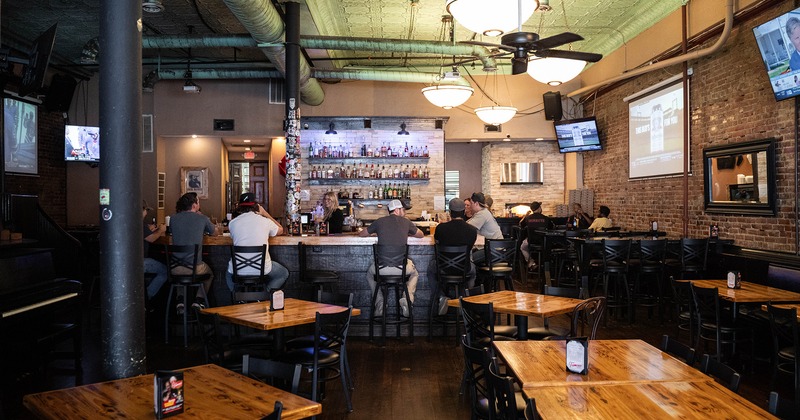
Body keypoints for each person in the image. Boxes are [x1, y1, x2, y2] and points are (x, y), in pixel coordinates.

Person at [359, 199, 424, 317]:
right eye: (403, 210)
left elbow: (362, 233)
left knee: (369, 274)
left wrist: (376, 232)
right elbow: (421, 235)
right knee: (414, 274)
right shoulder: (406, 222)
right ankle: (407, 300)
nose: (404, 212)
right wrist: (406, 232)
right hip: (401, 269)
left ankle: (380, 304)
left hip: (381, 269)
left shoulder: (379, 221)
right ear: (397, 210)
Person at [226, 192, 288, 296]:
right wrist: (265, 213)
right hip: (262, 269)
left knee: (228, 274)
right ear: (256, 206)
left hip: (238, 269)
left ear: (239, 206)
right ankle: (264, 294)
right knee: (283, 273)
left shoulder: (232, 223)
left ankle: (238, 297)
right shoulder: (265, 221)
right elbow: (281, 230)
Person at [169, 192, 219, 314]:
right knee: (210, 275)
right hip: (195, 268)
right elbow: (215, 233)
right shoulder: (202, 218)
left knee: (181, 272)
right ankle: (198, 301)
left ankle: (180, 301)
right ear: (194, 205)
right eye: (198, 201)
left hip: (174, 268)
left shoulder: (173, 218)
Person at [427, 198, 478, 315]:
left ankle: (441, 296)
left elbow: (437, 243)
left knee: (431, 269)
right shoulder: (472, 230)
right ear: (464, 211)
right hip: (464, 269)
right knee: (473, 272)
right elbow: (470, 248)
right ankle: (464, 300)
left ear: (450, 212)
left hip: (442, 269)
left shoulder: (440, 228)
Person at [466, 192, 503, 265]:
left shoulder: (482, 214)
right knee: (467, 255)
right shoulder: (482, 212)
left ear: (476, 203)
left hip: (494, 250)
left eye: (471, 203)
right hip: (493, 248)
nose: (470, 206)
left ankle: (473, 273)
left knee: (467, 259)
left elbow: (466, 227)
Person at [142, 203, 168, 301]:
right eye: (146, 210)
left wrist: (150, 230)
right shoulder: (140, 223)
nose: (146, 213)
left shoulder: (131, 221)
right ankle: (146, 297)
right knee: (165, 271)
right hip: (140, 262)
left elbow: (146, 235)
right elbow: (151, 239)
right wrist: (161, 230)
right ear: (142, 210)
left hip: (127, 263)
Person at [519, 201, 553, 269]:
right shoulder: (546, 218)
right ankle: (547, 266)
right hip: (544, 243)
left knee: (522, 247)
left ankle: (532, 263)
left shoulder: (528, 218)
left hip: (531, 242)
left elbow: (521, 224)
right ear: (539, 208)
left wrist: (526, 215)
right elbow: (551, 227)